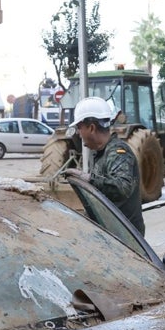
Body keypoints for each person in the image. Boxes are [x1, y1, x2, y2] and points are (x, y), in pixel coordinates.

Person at [63, 97, 145, 235]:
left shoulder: (118, 152)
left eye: (79, 128)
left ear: (91, 128)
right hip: (112, 232)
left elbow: (122, 188)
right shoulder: (102, 153)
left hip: (126, 238)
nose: (78, 133)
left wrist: (88, 179)